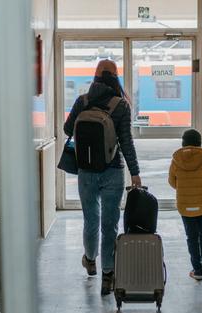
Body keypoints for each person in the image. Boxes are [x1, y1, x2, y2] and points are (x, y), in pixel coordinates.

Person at [64, 59, 141, 295]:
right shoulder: (121, 105)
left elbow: (68, 130)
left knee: (90, 220)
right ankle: (108, 275)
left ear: (95, 76)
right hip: (113, 171)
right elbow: (126, 142)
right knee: (109, 225)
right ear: (115, 76)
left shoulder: (82, 100)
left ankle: (90, 261)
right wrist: (135, 173)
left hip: (86, 170)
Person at [168, 129, 202, 281]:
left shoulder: (176, 160)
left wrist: (183, 187)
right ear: (199, 142)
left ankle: (197, 271)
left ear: (183, 142)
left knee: (191, 236)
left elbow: (172, 182)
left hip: (185, 205)